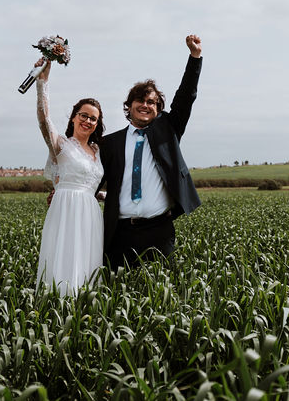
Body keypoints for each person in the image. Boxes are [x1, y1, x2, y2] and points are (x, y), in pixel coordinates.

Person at [99, 34, 203, 269]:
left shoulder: (168, 132)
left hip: (159, 231)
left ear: (158, 109)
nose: (145, 105)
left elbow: (186, 97)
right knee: (117, 295)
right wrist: (67, 194)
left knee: (160, 295)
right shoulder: (110, 143)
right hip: (120, 232)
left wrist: (194, 57)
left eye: (152, 102)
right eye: (140, 100)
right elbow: (92, 178)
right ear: (129, 106)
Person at [33, 57, 105, 293]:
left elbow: (92, 184)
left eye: (93, 118)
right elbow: (44, 121)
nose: (88, 121)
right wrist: (43, 83)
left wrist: (102, 196)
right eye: (83, 115)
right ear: (74, 117)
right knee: (64, 258)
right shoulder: (61, 146)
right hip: (66, 208)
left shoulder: (97, 151)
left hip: (91, 213)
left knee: (87, 262)